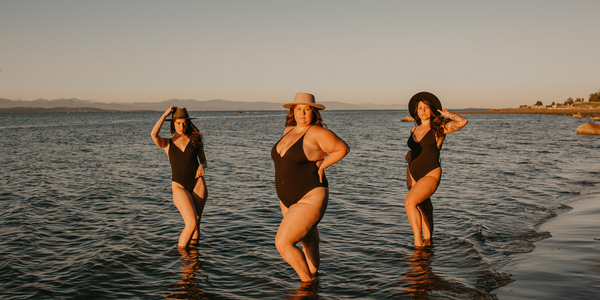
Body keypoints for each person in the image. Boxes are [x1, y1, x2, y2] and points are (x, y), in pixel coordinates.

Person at [271, 93, 350, 283]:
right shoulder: (288, 131)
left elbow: (342, 148)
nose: (302, 113)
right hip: (287, 199)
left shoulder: (316, 132)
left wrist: (323, 165)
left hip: (310, 195)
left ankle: (307, 284)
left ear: (314, 113)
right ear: (293, 111)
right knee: (308, 241)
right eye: (298, 109)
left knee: (283, 243)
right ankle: (315, 280)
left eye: (307, 109)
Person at [404, 92, 467, 248]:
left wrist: (448, 115)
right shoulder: (414, 129)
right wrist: (410, 153)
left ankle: (418, 245)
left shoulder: (440, 128)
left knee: (409, 203)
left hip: (430, 174)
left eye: (426, 107)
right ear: (416, 111)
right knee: (425, 210)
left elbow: (462, 122)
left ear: (432, 110)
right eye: (420, 108)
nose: (423, 111)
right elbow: (418, 149)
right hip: (412, 174)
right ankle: (428, 243)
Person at [151, 107, 208, 248]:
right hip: (179, 185)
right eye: (178, 123)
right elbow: (153, 134)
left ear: (188, 124)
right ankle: (182, 256)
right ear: (173, 124)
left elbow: (204, 160)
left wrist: (203, 166)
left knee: (197, 224)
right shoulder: (167, 144)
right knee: (191, 223)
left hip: (198, 184)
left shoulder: (195, 139)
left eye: (184, 123)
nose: (181, 126)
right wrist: (164, 114)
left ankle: (194, 256)